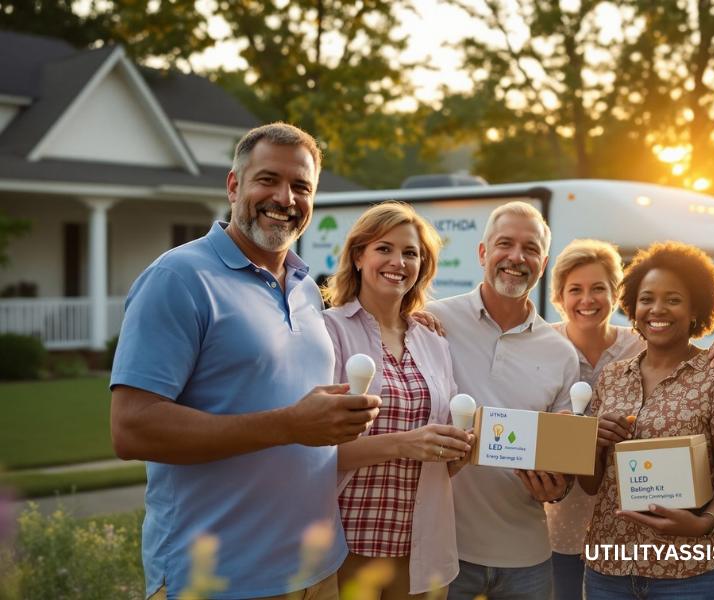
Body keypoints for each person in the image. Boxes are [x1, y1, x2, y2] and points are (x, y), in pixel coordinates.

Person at [110, 123, 380, 600]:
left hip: (318, 570)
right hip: (219, 578)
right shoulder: (178, 277)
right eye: (268, 180)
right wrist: (290, 425)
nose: (285, 198)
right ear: (234, 185)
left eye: (301, 187)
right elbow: (132, 428)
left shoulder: (304, 287)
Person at [544, 239, 714, 600]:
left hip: (695, 571)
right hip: (611, 570)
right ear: (633, 307)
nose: (657, 309)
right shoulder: (612, 377)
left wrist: (703, 524)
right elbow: (592, 486)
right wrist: (593, 442)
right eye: (647, 299)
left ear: (695, 309)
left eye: (673, 299)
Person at [425, 201, 579, 600]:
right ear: (482, 253)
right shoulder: (431, 322)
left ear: (543, 264)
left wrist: (556, 488)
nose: (517, 257)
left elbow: (563, 460)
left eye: (530, 249)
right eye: (505, 244)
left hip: (527, 558)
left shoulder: (561, 353)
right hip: (443, 552)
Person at [322, 202, 474, 598]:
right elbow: (314, 452)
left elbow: (442, 455)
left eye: (411, 253)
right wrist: (405, 444)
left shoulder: (434, 341)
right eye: (384, 248)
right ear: (358, 256)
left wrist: (460, 450)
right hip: (344, 542)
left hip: (420, 547)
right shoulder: (328, 331)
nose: (399, 262)